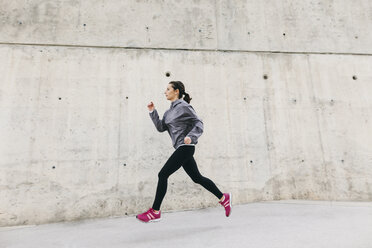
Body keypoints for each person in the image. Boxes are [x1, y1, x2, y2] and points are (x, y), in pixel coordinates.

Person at [136, 81, 231, 223]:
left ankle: (155, 211)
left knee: (163, 174)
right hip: (180, 148)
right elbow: (161, 127)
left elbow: (198, 123)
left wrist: (191, 136)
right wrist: (152, 111)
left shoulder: (184, 107)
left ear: (177, 91)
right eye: (165, 89)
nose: (165, 91)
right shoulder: (168, 112)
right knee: (197, 178)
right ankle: (224, 198)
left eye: (168, 89)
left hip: (186, 147)